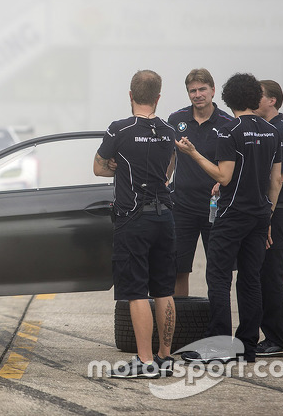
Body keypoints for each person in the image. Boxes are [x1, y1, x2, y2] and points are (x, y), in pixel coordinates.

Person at [176, 73, 283, 363]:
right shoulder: (271, 131)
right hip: (260, 215)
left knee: (219, 278)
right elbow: (277, 180)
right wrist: (268, 215)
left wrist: (195, 153)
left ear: (227, 98)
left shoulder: (229, 130)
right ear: (253, 98)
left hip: (232, 214)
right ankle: (247, 346)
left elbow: (224, 176)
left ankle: (220, 347)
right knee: (250, 279)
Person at [94, 69, 176, 379]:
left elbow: (98, 168)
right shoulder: (169, 131)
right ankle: (165, 358)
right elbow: (168, 171)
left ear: (130, 95)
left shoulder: (119, 130)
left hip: (133, 217)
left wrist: (115, 165)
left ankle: (144, 362)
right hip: (164, 215)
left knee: (137, 292)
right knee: (164, 290)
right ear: (158, 97)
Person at [167, 69, 234, 296]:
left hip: (214, 208)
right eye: (192, 90)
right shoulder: (176, 120)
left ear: (213, 91)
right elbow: (170, 159)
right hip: (182, 207)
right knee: (177, 269)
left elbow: (233, 167)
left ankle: (215, 323)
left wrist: (223, 185)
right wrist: (163, 181)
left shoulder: (227, 123)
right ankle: (180, 326)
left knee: (217, 270)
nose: (197, 95)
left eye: (202, 89)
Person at [254, 79, 283, 358]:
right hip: (268, 212)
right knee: (260, 276)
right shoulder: (265, 130)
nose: (253, 100)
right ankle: (269, 335)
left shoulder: (282, 131)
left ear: (272, 101)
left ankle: (280, 340)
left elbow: (278, 178)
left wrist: (266, 218)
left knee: (271, 277)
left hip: (277, 212)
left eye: (258, 96)